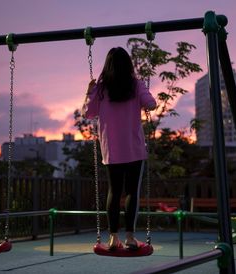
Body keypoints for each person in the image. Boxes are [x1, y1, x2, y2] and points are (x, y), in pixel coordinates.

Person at [82, 47, 156, 251]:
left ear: (108, 66)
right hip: (133, 147)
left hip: (112, 149)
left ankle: (114, 239)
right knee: (132, 191)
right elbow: (151, 104)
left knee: (114, 192)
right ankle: (130, 237)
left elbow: (88, 113)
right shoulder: (136, 84)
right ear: (129, 65)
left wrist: (90, 91)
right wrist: (145, 100)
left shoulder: (101, 88)